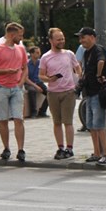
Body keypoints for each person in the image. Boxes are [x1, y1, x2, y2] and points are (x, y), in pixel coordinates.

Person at [0, 22, 28, 161]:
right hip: (0, 87)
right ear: (11, 34)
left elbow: (24, 67)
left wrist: (21, 82)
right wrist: (6, 71)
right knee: (3, 119)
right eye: (19, 35)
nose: (21, 38)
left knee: (18, 118)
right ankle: (6, 148)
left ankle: (21, 149)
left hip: (16, 88)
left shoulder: (20, 49)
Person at [39, 28, 81, 160]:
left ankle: (69, 148)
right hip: (53, 93)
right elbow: (41, 75)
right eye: (58, 39)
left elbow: (77, 67)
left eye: (62, 38)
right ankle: (60, 147)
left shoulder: (69, 54)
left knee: (68, 121)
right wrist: (49, 79)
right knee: (57, 122)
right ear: (51, 40)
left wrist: (79, 78)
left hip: (68, 91)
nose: (61, 41)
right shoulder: (45, 57)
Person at [77, 27, 106, 165]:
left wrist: (98, 74)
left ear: (92, 37)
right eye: (80, 38)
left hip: (98, 92)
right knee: (91, 125)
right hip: (89, 92)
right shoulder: (86, 53)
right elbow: (86, 70)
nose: (81, 40)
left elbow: (102, 61)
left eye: (83, 37)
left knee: (99, 124)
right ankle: (96, 153)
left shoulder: (99, 49)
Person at [25, 46, 49, 118]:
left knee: (50, 93)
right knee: (32, 91)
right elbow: (26, 79)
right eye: (37, 53)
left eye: (39, 52)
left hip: (39, 82)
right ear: (32, 54)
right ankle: (33, 112)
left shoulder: (41, 62)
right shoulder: (27, 64)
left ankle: (42, 111)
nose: (39, 54)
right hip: (29, 83)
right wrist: (36, 86)